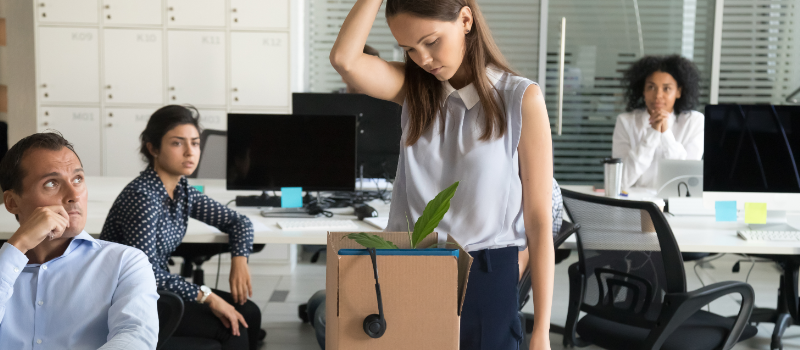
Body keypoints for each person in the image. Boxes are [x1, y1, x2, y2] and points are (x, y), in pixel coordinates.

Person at [330, 0, 555, 349]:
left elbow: (539, 221)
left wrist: (541, 330)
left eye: (431, 41)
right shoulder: (413, 90)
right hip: (409, 264)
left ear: (465, 19)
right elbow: (345, 60)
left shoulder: (519, 98)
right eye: (409, 49)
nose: (423, 59)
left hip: (486, 274)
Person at [100, 105, 263, 350]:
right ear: (153, 148)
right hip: (130, 298)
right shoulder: (143, 197)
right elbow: (147, 275)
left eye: (195, 143)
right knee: (233, 328)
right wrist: (207, 296)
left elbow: (239, 221)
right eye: (177, 143)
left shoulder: (181, 189)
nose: (190, 152)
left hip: (155, 290)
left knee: (249, 313)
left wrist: (239, 260)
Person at [0, 132, 158, 349]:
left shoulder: (125, 262)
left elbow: (135, 338)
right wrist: (17, 246)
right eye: (51, 183)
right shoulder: (3, 265)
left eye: (78, 179)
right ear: (11, 202)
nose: (74, 194)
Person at [612, 54, 704, 190]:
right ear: (643, 90)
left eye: (666, 88)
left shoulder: (694, 122)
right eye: (651, 87)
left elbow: (687, 181)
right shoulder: (626, 122)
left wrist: (665, 133)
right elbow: (621, 182)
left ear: (678, 92)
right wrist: (653, 133)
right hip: (635, 204)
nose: (658, 95)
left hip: (676, 205)